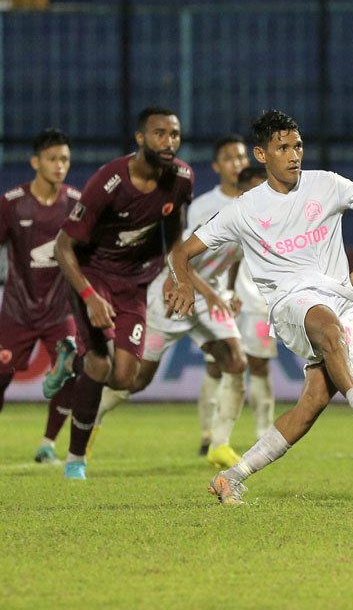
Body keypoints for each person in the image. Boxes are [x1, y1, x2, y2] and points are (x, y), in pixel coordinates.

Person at [164, 109, 353, 506]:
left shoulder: (327, 185)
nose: (294, 154)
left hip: (343, 300)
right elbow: (183, 251)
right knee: (327, 329)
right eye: (283, 148)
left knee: (314, 401)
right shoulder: (245, 209)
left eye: (298, 146)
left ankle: (233, 476)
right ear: (261, 155)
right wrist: (182, 282)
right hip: (290, 302)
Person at [43, 106, 194, 480]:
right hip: (93, 278)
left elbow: (175, 230)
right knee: (99, 364)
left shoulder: (181, 178)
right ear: (140, 139)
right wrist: (91, 296)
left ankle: (68, 361)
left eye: (174, 134)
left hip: (135, 285)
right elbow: (63, 247)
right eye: (159, 133)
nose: (169, 141)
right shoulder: (108, 181)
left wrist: (178, 275)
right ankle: (76, 460)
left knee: (126, 377)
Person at [90, 134, 250, 469]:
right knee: (135, 380)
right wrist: (207, 292)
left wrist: (229, 293)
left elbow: (235, 257)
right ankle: (91, 416)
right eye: (231, 157)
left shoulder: (256, 209)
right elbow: (179, 252)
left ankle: (219, 445)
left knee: (235, 361)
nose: (238, 163)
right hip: (174, 292)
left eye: (242, 157)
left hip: (208, 299)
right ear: (218, 165)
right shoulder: (207, 206)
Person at [0, 128, 81, 464]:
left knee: (73, 371)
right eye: (52, 159)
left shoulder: (77, 203)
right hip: (17, 309)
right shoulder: (11, 204)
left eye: (64, 159)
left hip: (60, 311)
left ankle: (48, 444)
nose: (59, 165)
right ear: (36, 162)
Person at [231, 165, 277, 440]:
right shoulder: (229, 218)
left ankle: (264, 431)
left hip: (259, 305)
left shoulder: (277, 218)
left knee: (259, 366)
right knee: (222, 366)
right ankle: (214, 435)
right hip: (229, 304)